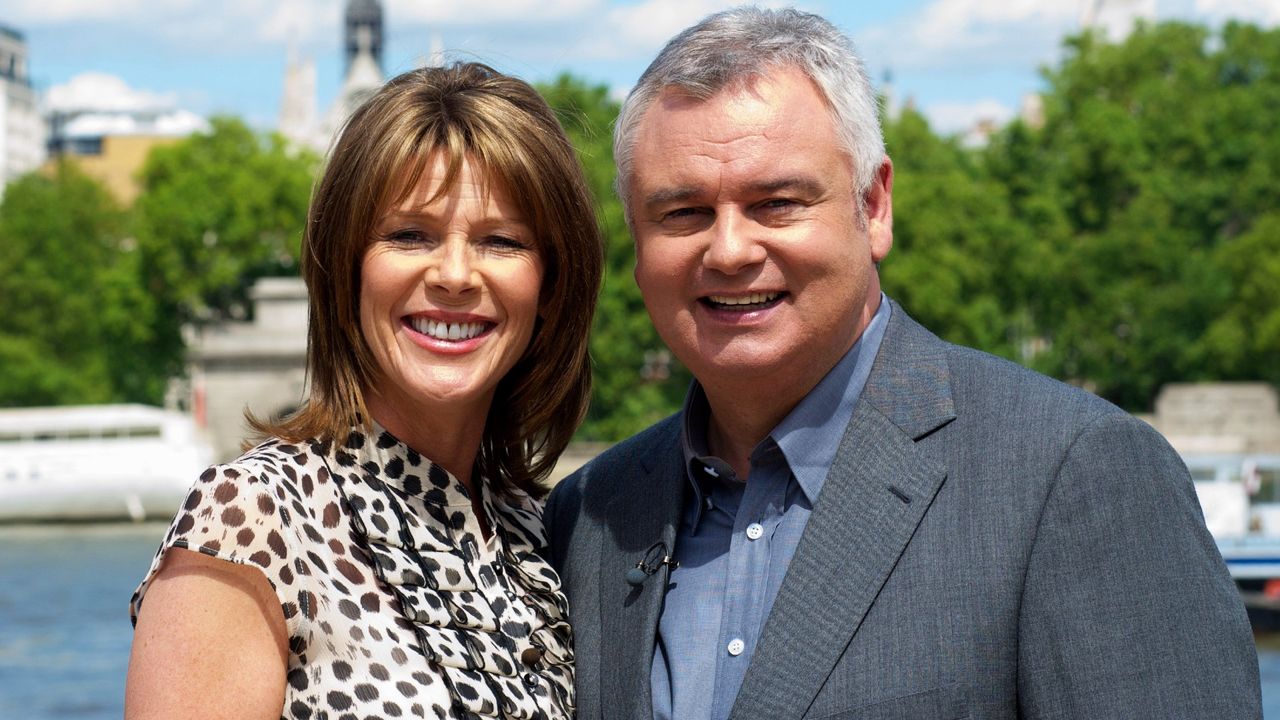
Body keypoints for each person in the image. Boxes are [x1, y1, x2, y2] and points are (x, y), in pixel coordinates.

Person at [543, 7, 1260, 719]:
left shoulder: (1072, 475)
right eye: (683, 213)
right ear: (635, 241)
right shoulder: (590, 517)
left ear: (875, 205)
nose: (729, 250)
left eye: (777, 202)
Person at [126, 62, 602, 719]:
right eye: (410, 235)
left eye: (501, 241)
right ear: (345, 268)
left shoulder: (540, 532)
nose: (456, 274)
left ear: (550, 286)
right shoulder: (254, 518)